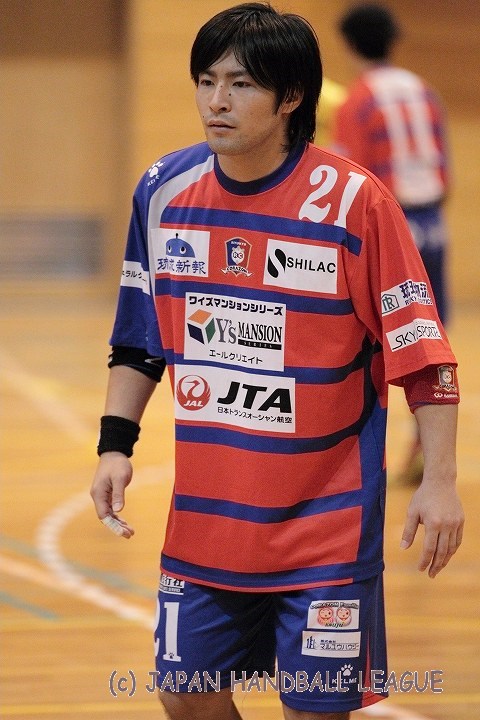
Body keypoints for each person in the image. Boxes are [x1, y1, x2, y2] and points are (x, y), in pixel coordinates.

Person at [90, 3, 464, 719]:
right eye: (206, 81)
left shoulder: (356, 204)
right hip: (206, 524)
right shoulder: (163, 190)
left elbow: (424, 356)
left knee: (314, 709)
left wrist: (440, 481)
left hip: (327, 530)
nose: (216, 101)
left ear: (291, 96)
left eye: (240, 84)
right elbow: (139, 338)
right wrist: (114, 445)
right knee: (185, 696)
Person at [331, 3, 452, 484]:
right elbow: (444, 166)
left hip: (392, 226)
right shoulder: (424, 91)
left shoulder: (357, 100)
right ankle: (425, 446)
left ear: (348, 44)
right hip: (433, 222)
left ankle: (355, 449)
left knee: (367, 339)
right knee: (430, 338)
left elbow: (356, 180)